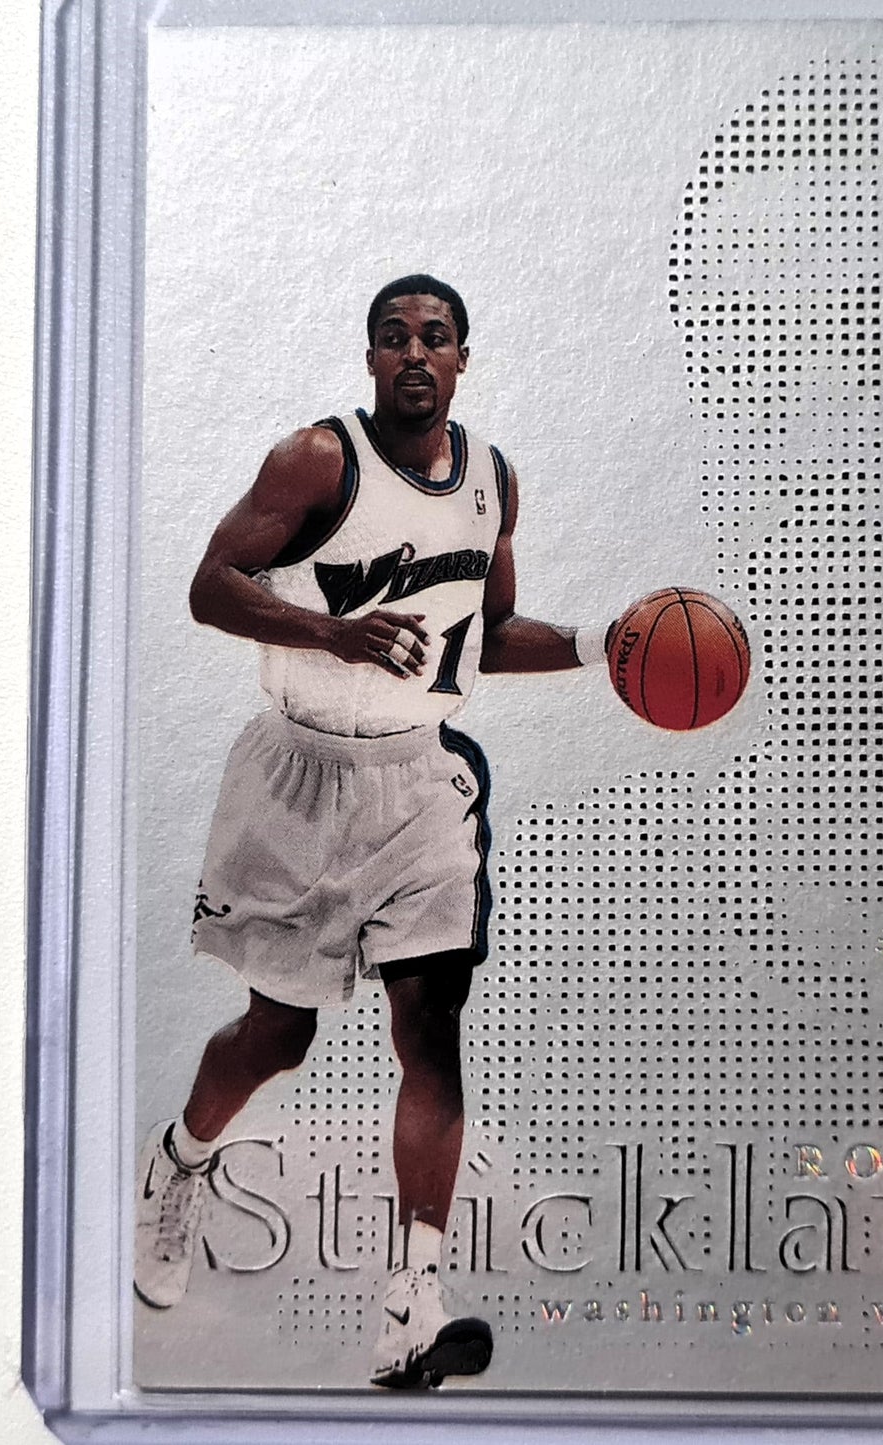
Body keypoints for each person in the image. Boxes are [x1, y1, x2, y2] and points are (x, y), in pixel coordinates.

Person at [133, 274, 612, 1389]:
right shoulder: (317, 459)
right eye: (393, 336)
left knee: (431, 1026)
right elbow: (210, 585)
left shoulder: (491, 480)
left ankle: (413, 1303)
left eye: (434, 337)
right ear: (369, 358)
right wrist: (331, 633)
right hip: (298, 776)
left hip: (419, 782)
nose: (414, 352)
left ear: (461, 359)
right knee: (278, 1035)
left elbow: (485, 636)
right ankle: (180, 1162)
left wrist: (602, 644)